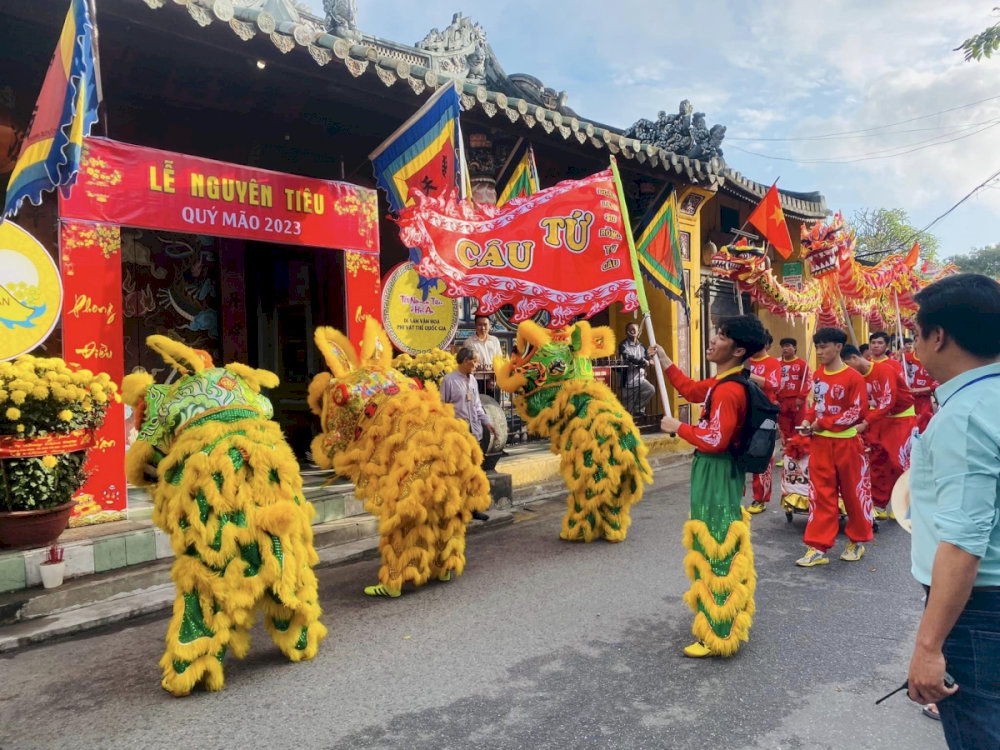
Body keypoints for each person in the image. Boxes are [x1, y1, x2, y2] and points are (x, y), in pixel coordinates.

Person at [905, 274, 1000, 749]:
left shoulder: (963, 416)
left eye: (915, 334)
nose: (914, 345)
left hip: (979, 610)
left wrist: (928, 647)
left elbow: (963, 542)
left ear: (938, 336)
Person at [652, 314, 765, 658]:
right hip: (719, 469)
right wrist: (666, 360)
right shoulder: (724, 382)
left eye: (722, 336)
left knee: (716, 543)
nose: (713, 339)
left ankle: (719, 631)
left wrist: (678, 427)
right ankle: (729, 617)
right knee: (720, 538)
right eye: (716, 333)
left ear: (739, 350)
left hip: (716, 469)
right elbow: (689, 390)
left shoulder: (729, 390)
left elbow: (715, 439)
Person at [795, 327, 873, 567]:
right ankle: (818, 546)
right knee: (820, 495)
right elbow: (815, 405)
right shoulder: (818, 375)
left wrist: (823, 423)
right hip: (820, 444)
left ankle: (857, 541)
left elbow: (857, 411)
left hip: (847, 444)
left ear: (838, 347)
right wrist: (807, 422)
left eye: (824, 347)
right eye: (817, 347)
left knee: (853, 494)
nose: (819, 352)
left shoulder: (853, 378)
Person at [841, 344, 916, 521]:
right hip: (879, 420)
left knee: (900, 463)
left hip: (901, 419)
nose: (846, 369)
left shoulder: (884, 370)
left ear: (854, 358)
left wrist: (866, 422)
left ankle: (906, 505)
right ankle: (879, 504)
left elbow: (888, 401)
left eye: (846, 364)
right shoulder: (855, 377)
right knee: (877, 462)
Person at [440, 347, 499, 521]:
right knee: (459, 474)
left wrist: (487, 423)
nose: (477, 364)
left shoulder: (473, 380)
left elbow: (477, 406)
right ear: (465, 361)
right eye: (475, 361)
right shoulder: (449, 381)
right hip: (458, 436)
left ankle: (473, 509)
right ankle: (458, 510)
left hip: (475, 434)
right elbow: (442, 408)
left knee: (474, 473)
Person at [745, 332, 781, 514]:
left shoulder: (772, 363)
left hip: (764, 415)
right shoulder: (744, 360)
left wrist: (749, 375)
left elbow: (774, 384)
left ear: (766, 344)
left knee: (762, 457)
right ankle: (735, 497)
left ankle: (760, 498)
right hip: (744, 412)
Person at [777, 337, 811, 447]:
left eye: (788, 346)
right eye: (783, 346)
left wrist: (801, 397)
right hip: (782, 401)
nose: (785, 349)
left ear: (795, 348)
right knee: (785, 429)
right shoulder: (777, 364)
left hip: (797, 401)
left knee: (801, 427)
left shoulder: (802, 363)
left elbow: (808, 381)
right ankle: (788, 452)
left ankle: (801, 452)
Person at [618, 321, 655, 417]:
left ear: (639, 332)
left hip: (640, 380)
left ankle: (638, 409)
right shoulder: (623, 345)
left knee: (650, 389)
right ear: (626, 332)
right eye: (630, 329)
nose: (632, 331)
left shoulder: (642, 346)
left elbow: (647, 358)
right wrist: (643, 361)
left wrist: (648, 360)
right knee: (627, 412)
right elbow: (628, 357)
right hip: (628, 383)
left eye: (634, 329)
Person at [902, 337, 938, 433]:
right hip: (908, 400)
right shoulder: (906, 358)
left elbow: (937, 382)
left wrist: (918, 390)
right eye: (916, 340)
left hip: (924, 401)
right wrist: (898, 357)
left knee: (923, 428)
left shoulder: (933, 359)